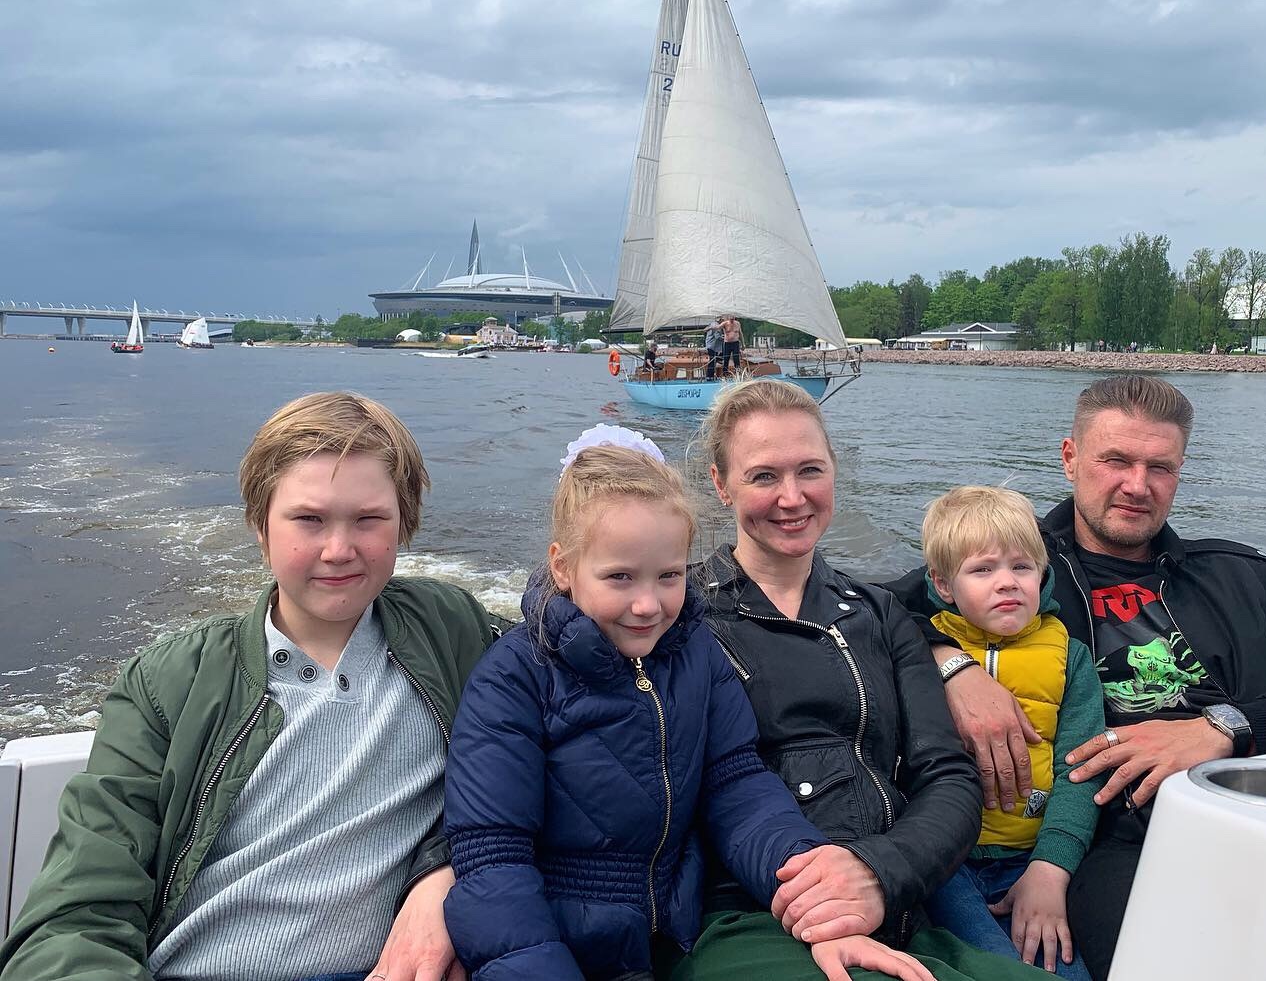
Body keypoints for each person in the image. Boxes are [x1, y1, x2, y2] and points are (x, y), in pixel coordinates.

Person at [884, 374, 1266, 979]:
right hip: (1116, 831)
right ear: (1070, 458)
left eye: (1160, 467)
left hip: (1261, 810)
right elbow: (864, 612)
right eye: (1116, 461)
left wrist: (1222, 728)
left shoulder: (1236, 578)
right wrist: (951, 665)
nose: (1137, 486)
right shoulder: (1016, 565)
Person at [0, 391, 498, 981]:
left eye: (369, 520)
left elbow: (567, 682)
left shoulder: (452, 631)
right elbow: (73, 919)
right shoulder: (169, 684)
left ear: (404, 523)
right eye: (308, 520)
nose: (339, 550)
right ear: (261, 526)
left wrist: (445, 869)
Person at [443, 426, 926, 981]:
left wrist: (814, 900)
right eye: (620, 578)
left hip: (674, 933)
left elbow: (736, 785)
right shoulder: (514, 678)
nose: (647, 605)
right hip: (561, 946)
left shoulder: (695, 654)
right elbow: (493, 858)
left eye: (668, 576)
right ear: (563, 567)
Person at [659, 379, 1048, 981]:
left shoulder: (879, 615)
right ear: (721, 484)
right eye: (764, 476)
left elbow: (947, 777)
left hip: (894, 905)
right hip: (744, 915)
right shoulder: (675, 612)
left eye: (810, 470)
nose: (792, 497)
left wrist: (878, 871)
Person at [918, 486, 1103, 979]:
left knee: (1063, 967)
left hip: (1031, 857)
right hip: (944, 861)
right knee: (996, 966)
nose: (1007, 583)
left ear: (1042, 574)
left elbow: (1081, 768)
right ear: (943, 584)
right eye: (982, 570)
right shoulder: (911, 647)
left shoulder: (1071, 658)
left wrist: (1051, 866)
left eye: (1021, 566)